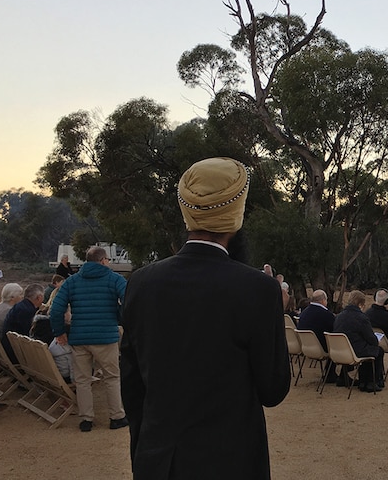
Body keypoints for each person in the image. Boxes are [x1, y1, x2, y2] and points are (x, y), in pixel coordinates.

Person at [121, 157, 290, 480]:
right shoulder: (258, 290)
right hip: (232, 463)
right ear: (236, 215)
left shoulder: (141, 283)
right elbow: (273, 389)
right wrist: (274, 314)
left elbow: (132, 388)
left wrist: (146, 456)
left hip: (160, 461)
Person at [50, 246, 128, 433]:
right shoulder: (115, 279)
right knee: (112, 377)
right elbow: (129, 301)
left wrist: (59, 331)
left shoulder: (72, 281)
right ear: (103, 260)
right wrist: (120, 317)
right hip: (105, 336)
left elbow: (56, 309)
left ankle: (86, 419)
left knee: (82, 380)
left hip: (80, 337)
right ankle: (116, 416)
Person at [333, 290, 384, 393]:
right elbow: (372, 339)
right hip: (355, 351)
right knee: (378, 350)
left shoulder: (339, 317)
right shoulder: (361, 318)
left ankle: (344, 377)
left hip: (340, 351)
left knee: (364, 347)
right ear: (361, 304)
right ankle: (370, 382)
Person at [297, 289, 338, 384]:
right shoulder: (326, 315)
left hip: (306, 347)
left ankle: (330, 373)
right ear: (323, 300)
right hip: (321, 348)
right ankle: (333, 374)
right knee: (338, 342)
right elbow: (335, 328)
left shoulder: (304, 313)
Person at [2, 283, 45, 363]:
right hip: (17, 354)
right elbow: (29, 334)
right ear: (39, 297)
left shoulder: (20, 306)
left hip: (9, 347)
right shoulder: (27, 311)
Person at [365, 289, 388, 375]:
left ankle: (380, 368)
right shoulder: (387, 316)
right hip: (387, 344)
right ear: (387, 301)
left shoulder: (367, 313)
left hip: (372, 342)